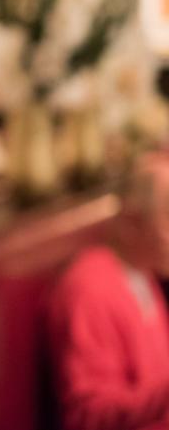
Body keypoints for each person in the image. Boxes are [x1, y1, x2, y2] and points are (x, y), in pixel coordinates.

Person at [47, 154, 169, 430]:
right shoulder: (89, 290)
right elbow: (88, 415)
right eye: (168, 217)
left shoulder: (143, 272)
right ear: (130, 223)